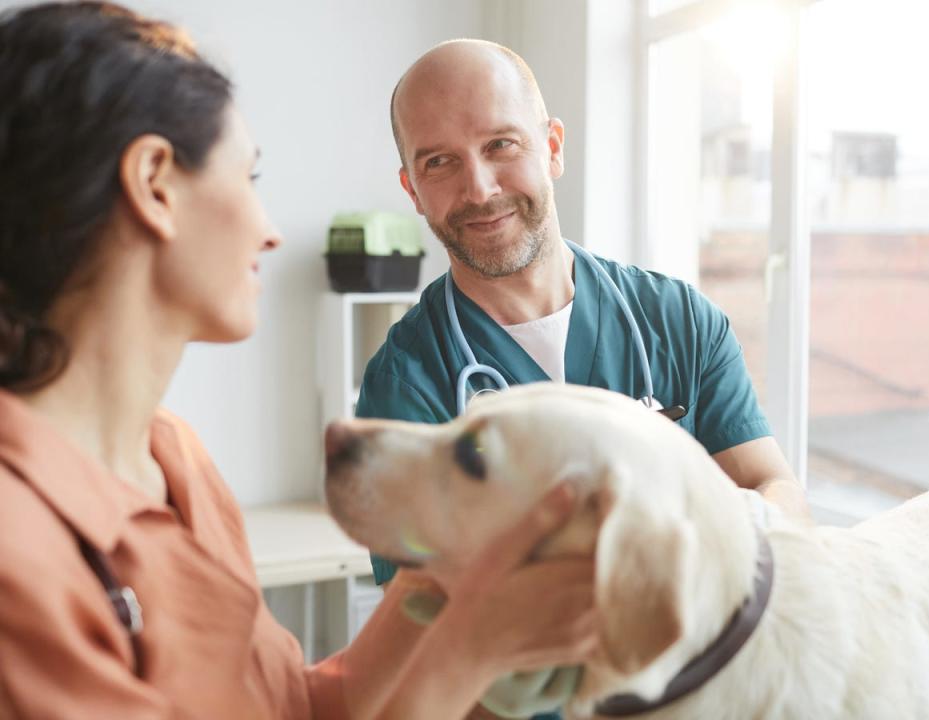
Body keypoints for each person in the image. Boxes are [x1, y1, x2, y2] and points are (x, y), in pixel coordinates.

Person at [0, 4, 599, 718]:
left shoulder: (176, 461)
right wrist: (475, 647)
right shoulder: (19, 547)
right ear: (155, 183)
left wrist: (439, 575)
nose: (271, 232)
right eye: (248, 178)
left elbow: (301, 704)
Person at [355, 38, 809, 718]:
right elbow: (422, 625)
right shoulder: (406, 387)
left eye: (501, 145)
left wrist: (727, 532)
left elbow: (776, 493)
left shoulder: (678, 319)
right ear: (412, 190)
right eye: (440, 162)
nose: (478, 188)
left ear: (553, 146)